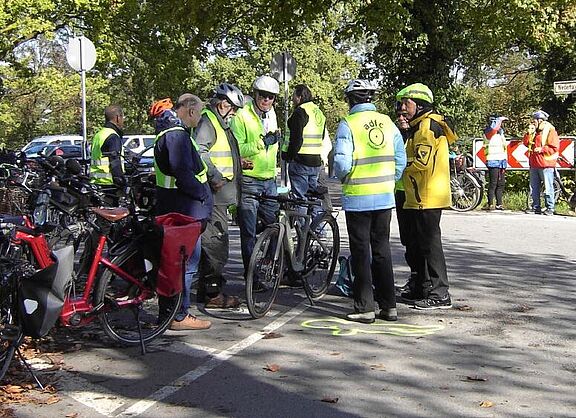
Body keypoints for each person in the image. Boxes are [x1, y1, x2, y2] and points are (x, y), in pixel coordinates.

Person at [334, 79, 406, 323]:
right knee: (382, 250)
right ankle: (389, 306)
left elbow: (342, 163)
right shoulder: (388, 123)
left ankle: (364, 307)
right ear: (371, 99)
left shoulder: (348, 124)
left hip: (358, 199)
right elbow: (400, 158)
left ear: (350, 100)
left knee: (361, 252)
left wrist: (342, 177)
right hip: (384, 197)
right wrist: (389, 180)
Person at [152, 95, 213, 330]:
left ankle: (173, 312)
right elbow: (184, 174)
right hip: (184, 209)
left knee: (178, 262)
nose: (199, 118)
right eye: (198, 113)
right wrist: (202, 194)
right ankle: (179, 314)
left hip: (178, 207)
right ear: (189, 111)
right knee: (185, 263)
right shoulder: (176, 135)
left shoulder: (171, 133)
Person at [396, 83, 456, 310]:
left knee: (430, 245)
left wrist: (397, 165)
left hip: (427, 195)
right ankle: (422, 286)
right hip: (417, 195)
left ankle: (440, 292)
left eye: (406, 103)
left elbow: (420, 162)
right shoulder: (417, 125)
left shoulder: (427, 127)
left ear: (420, 105)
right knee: (417, 244)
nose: (402, 108)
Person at [195, 83, 245, 309]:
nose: (234, 113)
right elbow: (200, 151)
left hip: (221, 196)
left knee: (213, 243)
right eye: (233, 108)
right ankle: (212, 294)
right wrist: (215, 176)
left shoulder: (220, 123)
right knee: (216, 244)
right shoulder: (209, 122)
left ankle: (204, 289)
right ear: (222, 104)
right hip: (213, 195)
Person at [230, 75, 281, 277]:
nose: (267, 100)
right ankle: (252, 276)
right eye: (263, 96)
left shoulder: (272, 114)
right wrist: (262, 143)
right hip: (250, 180)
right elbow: (237, 148)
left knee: (276, 226)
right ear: (255, 94)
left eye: (271, 97)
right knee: (249, 232)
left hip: (269, 179)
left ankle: (269, 263)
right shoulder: (242, 115)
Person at [282, 84, 326, 202]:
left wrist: (289, 156)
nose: (292, 99)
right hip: (315, 161)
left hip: (300, 162)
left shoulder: (300, 112)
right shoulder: (319, 113)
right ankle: (318, 220)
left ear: (300, 97)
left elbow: (297, 139)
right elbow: (321, 136)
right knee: (313, 198)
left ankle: (300, 220)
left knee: (300, 199)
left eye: (293, 96)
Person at [393, 105, 418, 297]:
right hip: (400, 191)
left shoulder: (415, 134)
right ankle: (414, 278)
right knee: (407, 240)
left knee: (417, 240)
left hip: (415, 192)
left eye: (404, 115)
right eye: (398, 115)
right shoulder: (395, 136)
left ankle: (419, 279)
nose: (401, 118)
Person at [522, 110, 559, 216]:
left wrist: (542, 149)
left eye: (534, 120)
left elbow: (555, 147)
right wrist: (528, 134)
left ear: (540, 120)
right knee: (533, 187)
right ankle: (535, 207)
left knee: (548, 187)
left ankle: (550, 208)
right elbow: (526, 143)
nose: (533, 122)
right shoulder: (534, 131)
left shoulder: (550, 130)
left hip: (545, 163)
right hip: (534, 163)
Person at [90, 105, 127, 199]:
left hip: (96, 182)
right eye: (123, 117)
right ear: (118, 118)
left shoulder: (99, 134)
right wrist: (121, 182)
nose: (123, 121)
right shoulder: (113, 136)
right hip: (109, 184)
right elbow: (115, 161)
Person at [482, 115, 509, 211]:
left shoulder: (500, 133)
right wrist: (500, 119)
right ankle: (490, 204)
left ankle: (499, 204)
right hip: (493, 160)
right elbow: (494, 128)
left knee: (501, 183)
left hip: (501, 160)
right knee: (493, 183)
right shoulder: (488, 132)